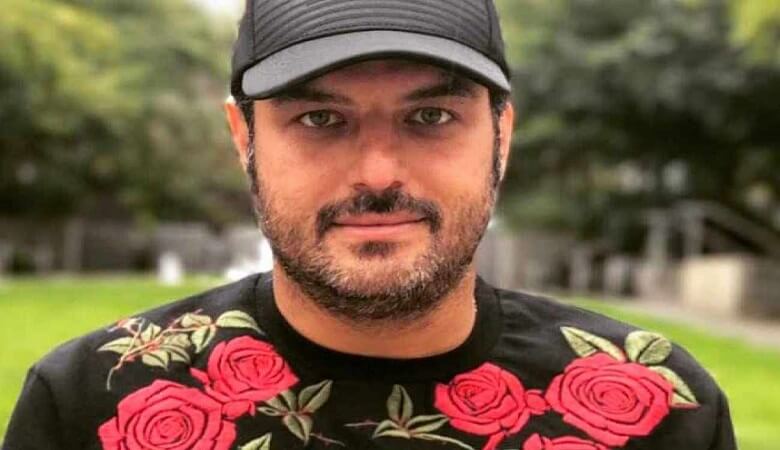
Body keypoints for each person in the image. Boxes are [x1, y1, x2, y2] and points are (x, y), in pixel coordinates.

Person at [4, 1, 736, 449]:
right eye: (320, 119)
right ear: (243, 138)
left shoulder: (659, 408)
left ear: (502, 136)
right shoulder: (92, 402)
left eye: (431, 116)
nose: (379, 173)